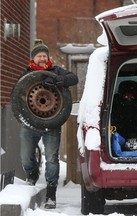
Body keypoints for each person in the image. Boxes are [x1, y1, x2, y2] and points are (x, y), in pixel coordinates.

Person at [18, 39, 78, 209]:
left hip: (52, 122)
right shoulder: (26, 74)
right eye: (39, 56)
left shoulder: (55, 70)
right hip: (29, 122)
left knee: (52, 159)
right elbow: (18, 93)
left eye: (45, 55)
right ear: (33, 59)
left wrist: (59, 80)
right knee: (25, 156)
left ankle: (51, 195)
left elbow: (73, 78)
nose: (43, 58)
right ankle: (32, 174)